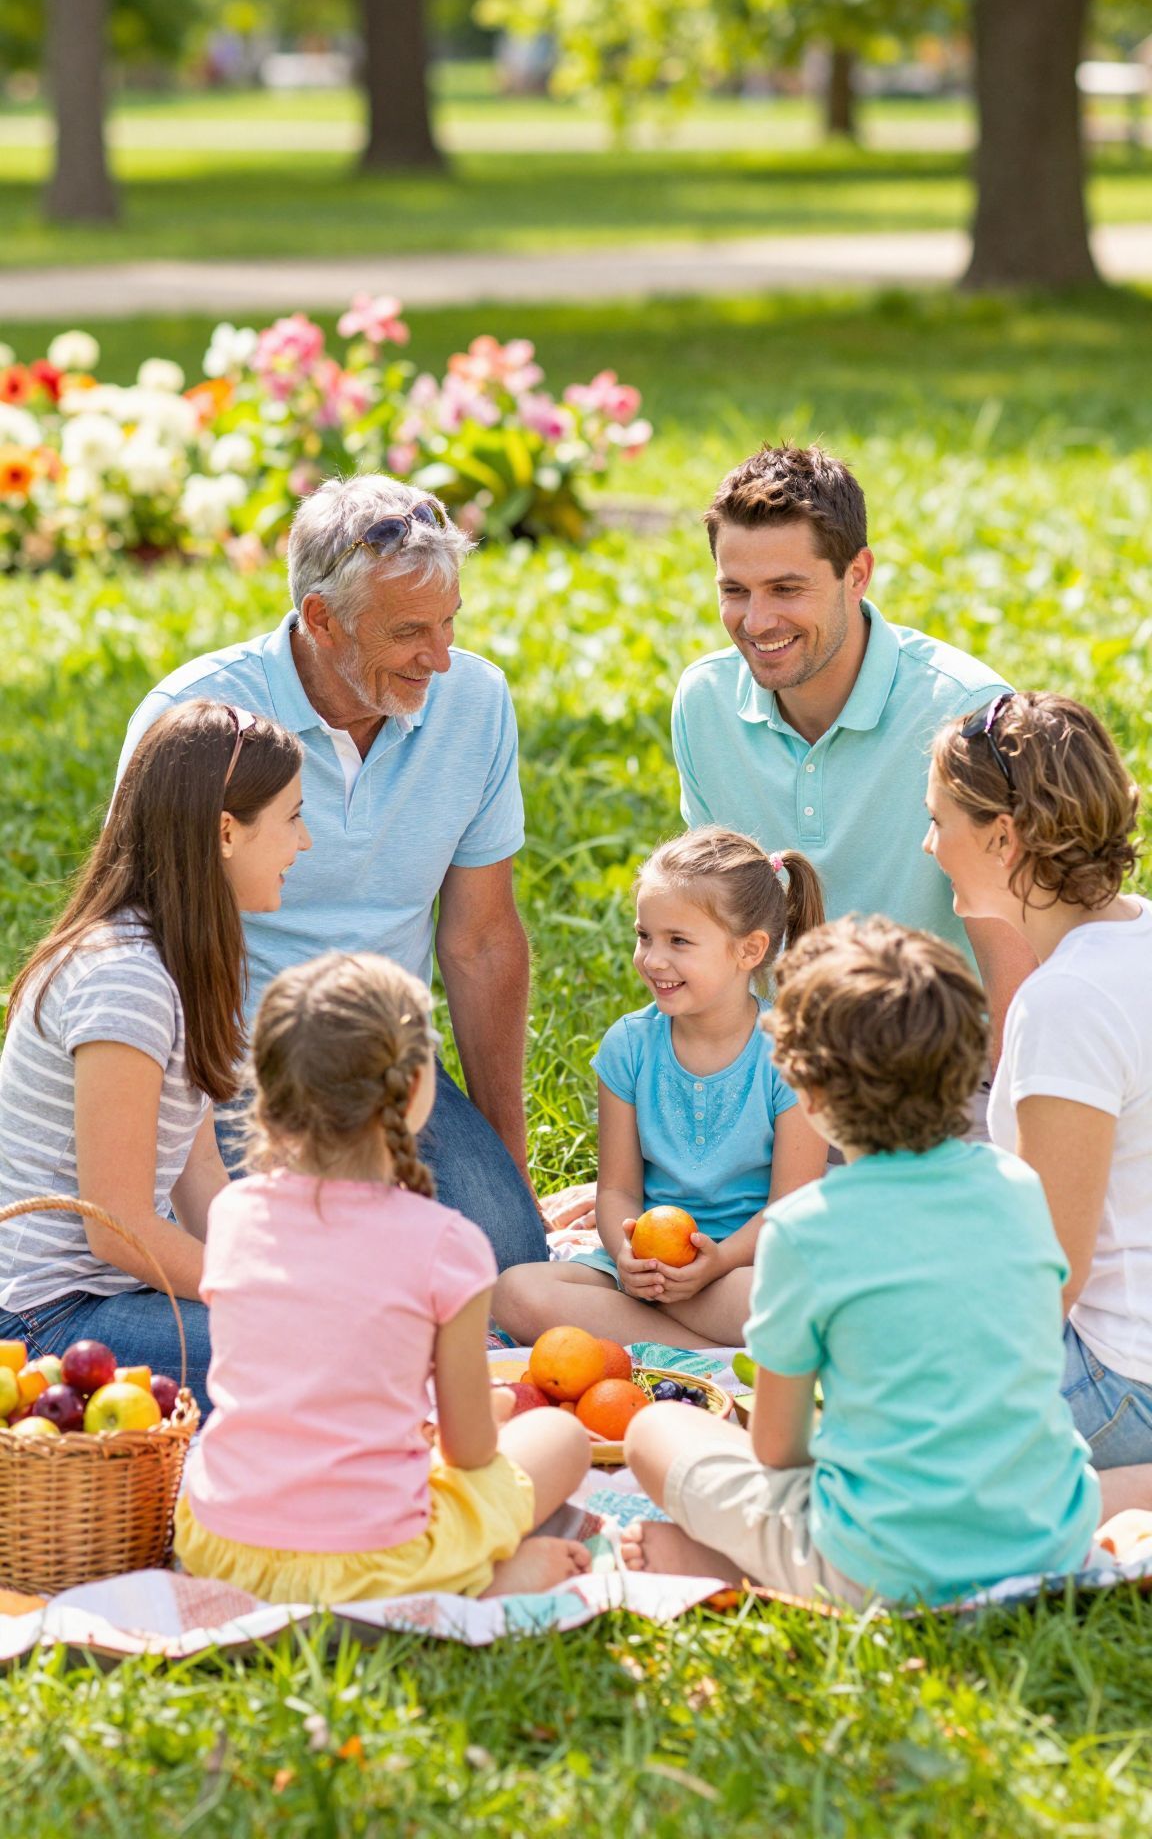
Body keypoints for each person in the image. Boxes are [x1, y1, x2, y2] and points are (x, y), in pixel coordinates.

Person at [116, 472, 546, 1274]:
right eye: (411, 632)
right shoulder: (200, 720)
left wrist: (506, 1158)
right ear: (322, 619)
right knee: (325, 1281)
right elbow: (140, 944)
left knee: (508, 1262)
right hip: (232, 1068)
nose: (442, 658)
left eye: (451, 622)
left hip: (385, 1064)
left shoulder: (476, 702)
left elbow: (482, 941)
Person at [619, 916, 1106, 1607]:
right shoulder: (1019, 1189)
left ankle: (744, 1566)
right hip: (1049, 1539)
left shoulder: (804, 1230)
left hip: (881, 1564)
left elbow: (779, 1451)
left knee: (656, 1428)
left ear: (809, 1097)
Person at [175, 952, 592, 1603]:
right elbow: (470, 1451)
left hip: (222, 1546)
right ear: (417, 1082)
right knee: (560, 1437)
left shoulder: (230, 1214)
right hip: (373, 1562)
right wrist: (492, 1409)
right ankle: (479, 1584)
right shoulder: (448, 1244)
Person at [670, 443, 1035, 1072]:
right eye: (735, 590)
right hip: (782, 1075)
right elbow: (713, 925)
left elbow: (1014, 975)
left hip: (940, 1083)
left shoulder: (968, 713)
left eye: (787, 588)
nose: (757, 621)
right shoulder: (704, 702)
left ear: (857, 574)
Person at [0, 702, 309, 1411]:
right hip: (49, 1324)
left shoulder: (184, 956)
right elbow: (117, 1226)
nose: (306, 841)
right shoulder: (125, 978)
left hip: (111, 1297)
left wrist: (282, 1268)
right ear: (227, 832)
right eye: (293, 817)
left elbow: (197, 1173)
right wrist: (265, 1297)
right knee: (332, 1360)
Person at [926, 692, 1152, 1492]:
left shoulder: (1067, 1003)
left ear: (1003, 837)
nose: (930, 845)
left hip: (1122, 1383)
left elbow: (1051, 1274)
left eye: (940, 820)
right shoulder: (1138, 936)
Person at [493, 828, 827, 1351]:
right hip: (643, 1272)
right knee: (514, 1292)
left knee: (793, 1300)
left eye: (678, 941)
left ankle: (651, 1339)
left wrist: (713, 1262)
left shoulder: (792, 1054)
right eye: (644, 936)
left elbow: (791, 1206)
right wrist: (626, 1254)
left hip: (744, 1262)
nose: (652, 959)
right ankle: (711, 1353)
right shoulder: (629, 1046)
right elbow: (618, 1190)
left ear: (750, 950)